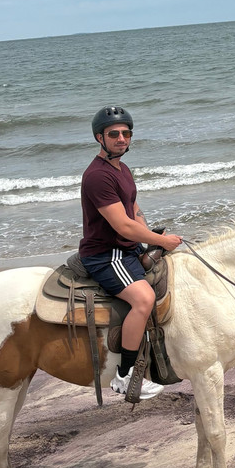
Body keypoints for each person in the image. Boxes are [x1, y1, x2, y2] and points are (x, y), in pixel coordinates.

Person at [79, 106, 182, 400]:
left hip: (126, 247)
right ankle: (124, 376)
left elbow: (133, 210)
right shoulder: (98, 176)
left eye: (126, 133)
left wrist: (148, 235)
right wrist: (161, 242)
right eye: (114, 134)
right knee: (144, 299)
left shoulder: (122, 169)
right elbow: (122, 225)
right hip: (106, 255)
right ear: (100, 137)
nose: (121, 138)